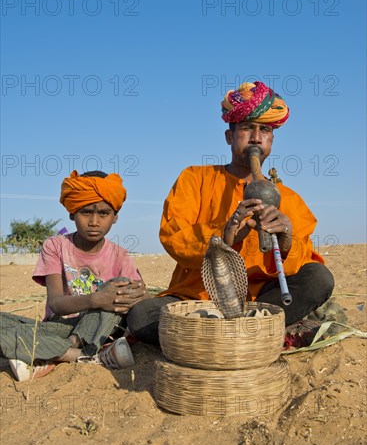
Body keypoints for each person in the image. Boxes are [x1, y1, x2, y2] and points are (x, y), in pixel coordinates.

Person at [127, 81, 334, 345]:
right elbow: (174, 240)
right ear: (229, 136)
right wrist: (224, 234)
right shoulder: (194, 178)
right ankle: (259, 336)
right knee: (142, 316)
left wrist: (286, 239)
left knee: (318, 278)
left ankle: (223, 338)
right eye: (247, 128)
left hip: (259, 300)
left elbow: (299, 264)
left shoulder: (288, 197)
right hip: (198, 299)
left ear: (272, 139)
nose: (256, 138)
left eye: (266, 130)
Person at [0, 170, 147, 380]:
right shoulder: (56, 246)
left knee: (119, 287)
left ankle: (54, 353)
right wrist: (96, 299)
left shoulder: (120, 255)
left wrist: (133, 294)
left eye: (104, 214)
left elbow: (137, 296)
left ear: (115, 217)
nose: (94, 221)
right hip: (57, 326)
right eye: (86, 212)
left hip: (98, 327)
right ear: (72, 213)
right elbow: (57, 303)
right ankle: (84, 355)